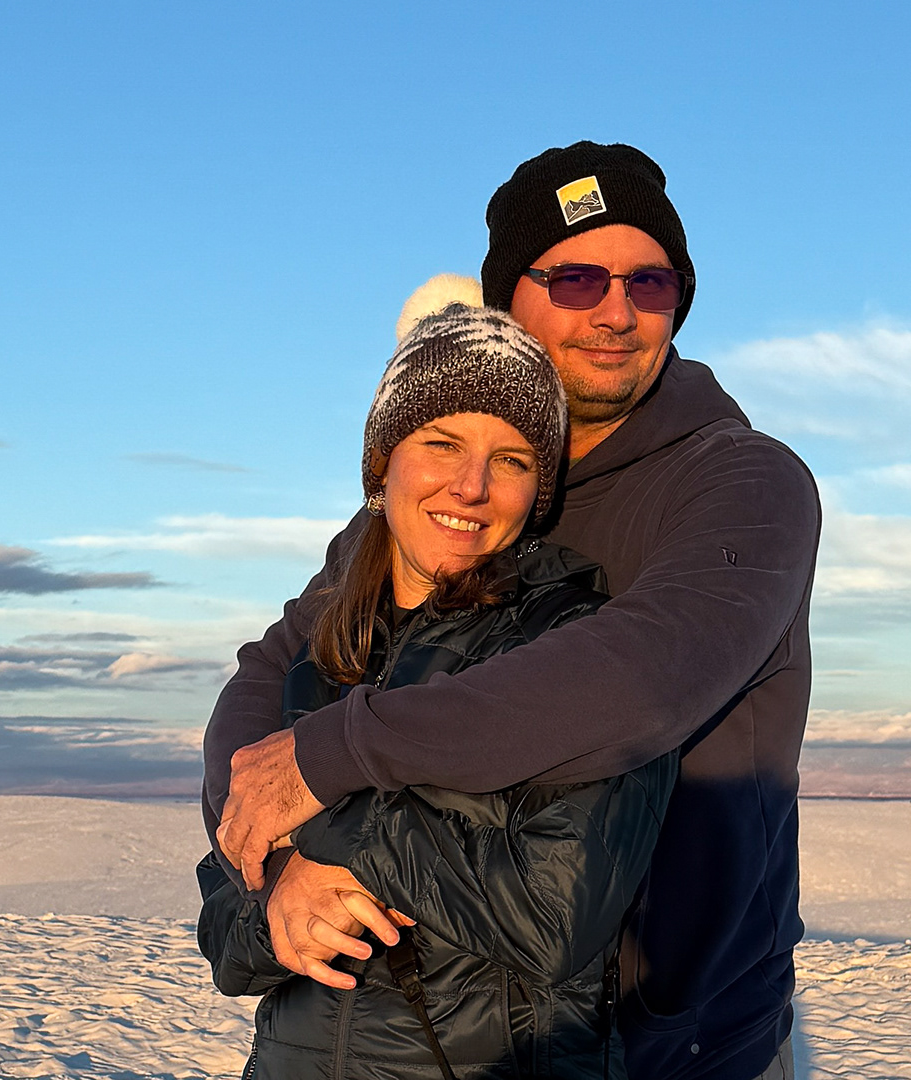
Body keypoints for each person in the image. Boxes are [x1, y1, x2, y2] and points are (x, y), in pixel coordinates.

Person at [207, 142, 821, 1080]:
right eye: (576, 278)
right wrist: (280, 851)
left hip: (686, 1043)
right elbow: (272, 676)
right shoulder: (454, 500)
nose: (616, 312)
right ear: (508, 301)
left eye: (650, 283)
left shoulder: (742, 483)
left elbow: (644, 679)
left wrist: (336, 758)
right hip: (465, 1041)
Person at [199, 285, 678, 1079]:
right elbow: (223, 936)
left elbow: (559, 917)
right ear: (383, 465)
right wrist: (283, 897)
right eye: (443, 444)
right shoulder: (322, 657)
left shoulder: (576, 650)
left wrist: (337, 834)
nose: (471, 487)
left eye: (513, 460)